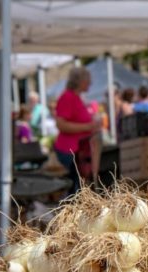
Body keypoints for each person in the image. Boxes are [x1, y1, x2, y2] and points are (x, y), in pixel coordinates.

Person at [54, 67, 101, 195]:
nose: (90, 83)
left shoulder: (75, 97)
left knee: (78, 186)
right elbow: (61, 125)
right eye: (88, 81)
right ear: (80, 81)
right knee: (74, 187)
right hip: (69, 150)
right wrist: (88, 126)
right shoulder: (67, 97)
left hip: (78, 150)